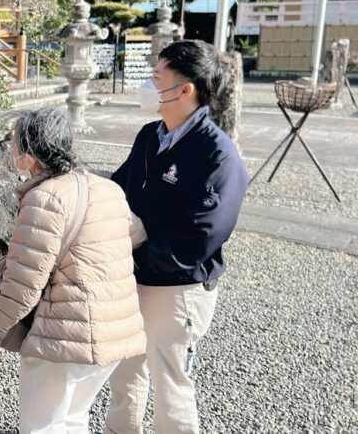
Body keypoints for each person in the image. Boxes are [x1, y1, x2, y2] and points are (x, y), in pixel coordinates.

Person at [0, 107, 146, 434]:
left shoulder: (44, 198)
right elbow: (135, 235)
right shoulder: (106, 187)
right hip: (116, 332)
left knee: (42, 425)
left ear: (30, 153)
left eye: (14, 141)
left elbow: (21, 286)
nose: (11, 148)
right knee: (73, 418)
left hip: (64, 337)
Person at [105, 40, 248, 434]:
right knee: (125, 370)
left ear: (185, 90)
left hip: (178, 285)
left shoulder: (218, 155)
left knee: (170, 382)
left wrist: (141, 249)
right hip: (135, 275)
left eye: (156, 77)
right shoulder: (150, 136)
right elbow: (118, 189)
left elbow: (201, 236)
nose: (147, 85)